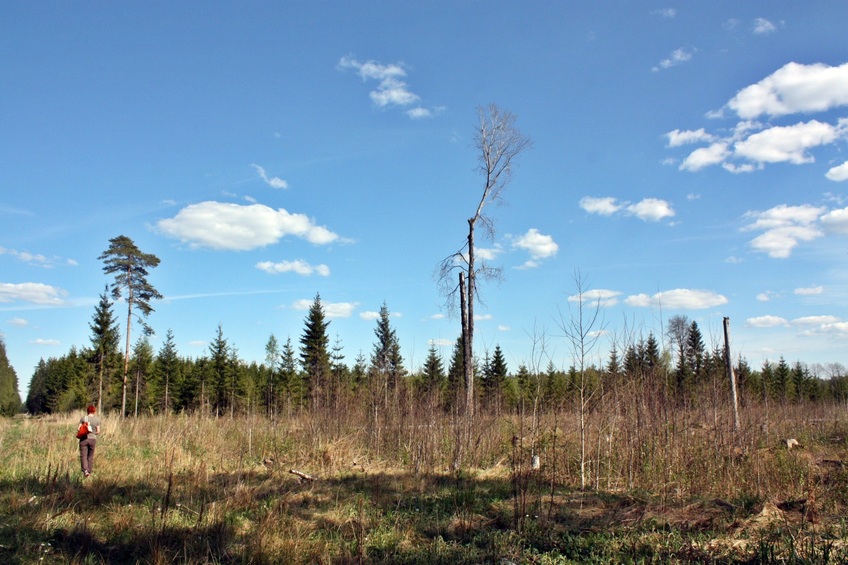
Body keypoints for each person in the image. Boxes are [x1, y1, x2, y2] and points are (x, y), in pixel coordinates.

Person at [78, 405, 101, 478]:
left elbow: (79, 428)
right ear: (94, 411)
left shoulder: (84, 418)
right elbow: (98, 431)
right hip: (92, 440)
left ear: (87, 411)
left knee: (83, 456)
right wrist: (93, 433)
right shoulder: (97, 420)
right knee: (90, 456)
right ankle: (89, 471)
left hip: (84, 439)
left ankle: (85, 471)